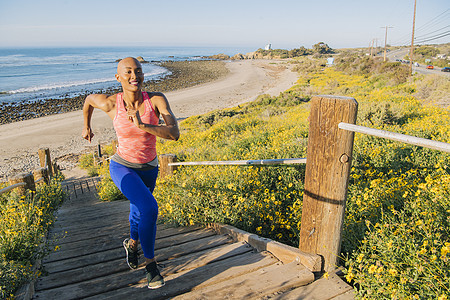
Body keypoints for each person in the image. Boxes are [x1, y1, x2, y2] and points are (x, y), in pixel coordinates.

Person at [82, 57, 179, 289]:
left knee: (138, 212)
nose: (134, 76)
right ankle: (151, 267)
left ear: (143, 75)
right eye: (128, 72)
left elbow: (174, 133)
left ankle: (133, 243)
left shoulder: (156, 100)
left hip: (149, 168)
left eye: (138, 71)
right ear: (118, 77)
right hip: (122, 166)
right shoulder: (110, 103)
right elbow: (87, 101)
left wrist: (144, 126)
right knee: (149, 208)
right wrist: (86, 126)